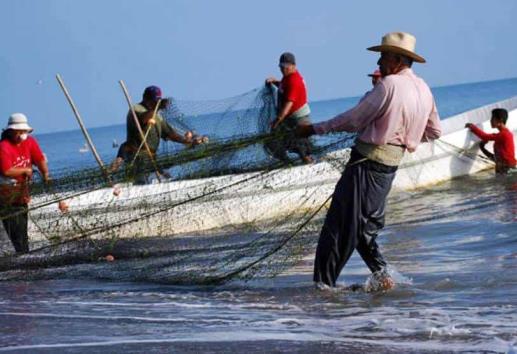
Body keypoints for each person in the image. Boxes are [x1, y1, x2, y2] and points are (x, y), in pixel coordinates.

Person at [297, 32, 442, 289]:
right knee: (362, 230)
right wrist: (404, 136)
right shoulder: (423, 89)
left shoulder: (389, 86)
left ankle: (323, 289)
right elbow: (434, 132)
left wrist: (314, 129)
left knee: (338, 228)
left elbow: (353, 119)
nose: (379, 63)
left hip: (365, 166)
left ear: (398, 59)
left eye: (383, 56)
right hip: (387, 170)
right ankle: (384, 278)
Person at [117, 85, 196, 184]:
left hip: (152, 160)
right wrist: (156, 108)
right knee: (141, 184)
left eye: (158, 101)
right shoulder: (136, 109)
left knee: (167, 178)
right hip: (137, 159)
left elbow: (170, 134)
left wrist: (188, 141)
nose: (155, 103)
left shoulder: (157, 116)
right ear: (145, 97)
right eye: (154, 101)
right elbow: (143, 119)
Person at [0, 113, 49, 254]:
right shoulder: (3, 146)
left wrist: (45, 175)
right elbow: (6, 170)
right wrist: (26, 170)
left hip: (21, 195)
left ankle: (24, 256)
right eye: (18, 132)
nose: (21, 135)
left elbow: (39, 159)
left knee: (22, 231)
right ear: (10, 131)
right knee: (16, 234)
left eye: (24, 131)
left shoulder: (30, 142)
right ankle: (22, 258)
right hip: (5, 197)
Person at [265, 52, 313, 164]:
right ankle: (288, 163)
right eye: (281, 67)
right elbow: (284, 87)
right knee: (272, 142)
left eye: (285, 67)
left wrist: (277, 120)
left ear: (293, 66)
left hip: (299, 119)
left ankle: (309, 165)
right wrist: (275, 82)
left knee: (302, 148)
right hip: (289, 119)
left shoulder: (294, 80)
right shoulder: (287, 78)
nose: (283, 69)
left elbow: (288, 104)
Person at [465, 108, 516, 174]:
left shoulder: (504, 135)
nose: (490, 121)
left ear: (500, 120)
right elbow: (496, 158)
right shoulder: (501, 136)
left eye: (492, 119)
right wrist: (482, 148)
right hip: (505, 170)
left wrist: (472, 127)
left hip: (508, 170)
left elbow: (485, 136)